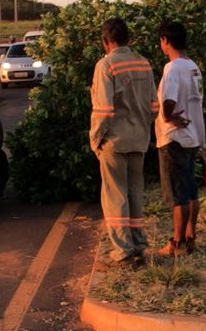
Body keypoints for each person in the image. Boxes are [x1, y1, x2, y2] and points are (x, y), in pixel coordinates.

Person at [89, 17, 158, 267]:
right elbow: (154, 106)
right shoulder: (143, 63)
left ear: (105, 41)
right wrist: (141, 127)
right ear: (128, 38)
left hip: (114, 141)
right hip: (139, 139)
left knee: (115, 196)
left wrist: (95, 139)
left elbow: (104, 110)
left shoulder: (106, 65)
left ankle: (122, 250)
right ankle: (139, 244)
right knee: (135, 193)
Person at [155, 21, 206, 257]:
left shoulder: (172, 68)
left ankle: (177, 243)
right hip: (193, 135)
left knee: (178, 195)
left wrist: (167, 116)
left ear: (165, 40)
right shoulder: (193, 67)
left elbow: (169, 100)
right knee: (191, 190)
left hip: (174, 138)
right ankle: (190, 236)